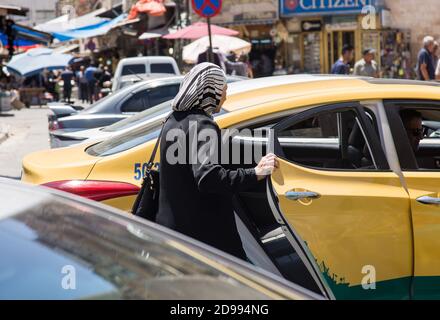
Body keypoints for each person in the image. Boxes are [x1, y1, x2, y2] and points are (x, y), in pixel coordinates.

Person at [156, 63, 278, 260]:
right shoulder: (203, 124)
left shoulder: (173, 120)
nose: (226, 96)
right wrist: (255, 172)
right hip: (204, 240)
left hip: (176, 231)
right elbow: (209, 178)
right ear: (210, 90)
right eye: (224, 90)